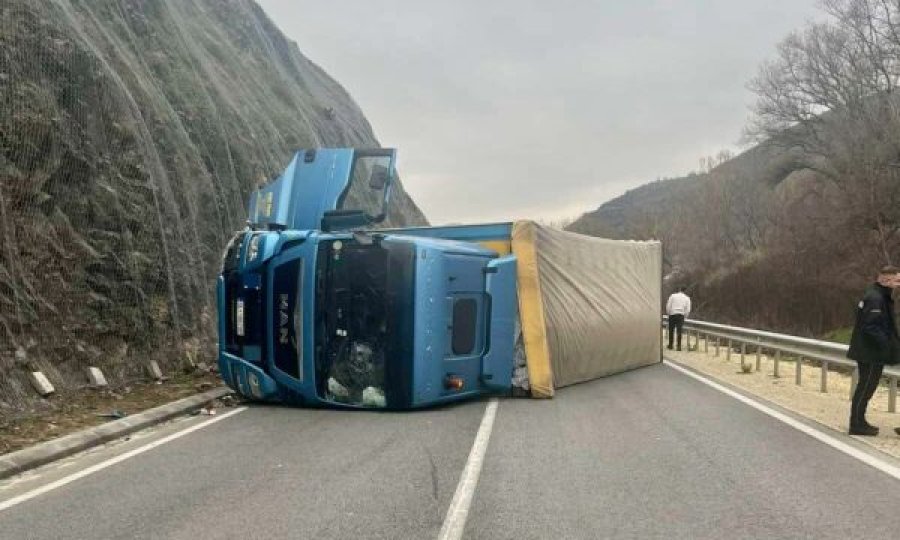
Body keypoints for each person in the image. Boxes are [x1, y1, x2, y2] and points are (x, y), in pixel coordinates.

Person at [847, 265, 900, 436]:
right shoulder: (876, 298)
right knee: (866, 387)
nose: (899, 283)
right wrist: (888, 345)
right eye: (897, 280)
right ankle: (856, 423)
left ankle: (859, 421)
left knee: (866, 386)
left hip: (869, 351)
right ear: (886, 279)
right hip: (870, 352)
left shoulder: (877, 295)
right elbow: (871, 327)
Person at [666, 286, 691, 351]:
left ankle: (670, 345)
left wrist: (669, 313)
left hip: (672, 314)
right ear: (685, 291)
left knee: (671, 330)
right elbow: (688, 309)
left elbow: (668, 305)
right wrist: (685, 316)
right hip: (680, 315)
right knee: (679, 331)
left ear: (679, 289)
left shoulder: (672, 296)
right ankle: (678, 346)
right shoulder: (687, 298)